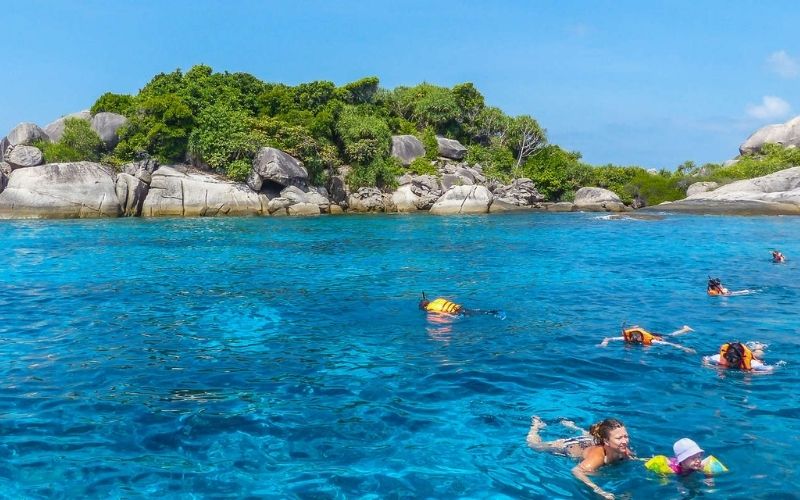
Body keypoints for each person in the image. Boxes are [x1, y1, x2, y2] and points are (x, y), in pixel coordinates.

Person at [527, 417, 633, 499]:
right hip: (570, 447)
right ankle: (536, 425)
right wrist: (599, 491)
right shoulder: (597, 458)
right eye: (619, 438)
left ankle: (572, 426)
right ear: (606, 441)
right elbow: (576, 471)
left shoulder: (622, 449)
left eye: (626, 436)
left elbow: (633, 458)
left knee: (590, 436)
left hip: (590, 441)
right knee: (533, 445)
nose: (625, 441)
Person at [644, 438, 727, 476]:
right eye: (693, 458)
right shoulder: (673, 470)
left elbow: (708, 464)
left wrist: (709, 478)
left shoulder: (699, 465)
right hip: (671, 463)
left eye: (698, 457)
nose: (698, 460)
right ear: (682, 460)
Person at [599, 324, 695, 353]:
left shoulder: (652, 341)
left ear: (641, 335)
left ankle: (685, 329)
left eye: (637, 336)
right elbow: (608, 338)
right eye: (634, 336)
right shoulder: (628, 338)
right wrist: (604, 343)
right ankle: (684, 329)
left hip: (656, 336)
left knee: (671, 336)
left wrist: (684, 348)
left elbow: (670, 344)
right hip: (647, 336)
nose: (636, 338)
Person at [703, 341, 774, 373]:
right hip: (739, 351)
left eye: (733, 360)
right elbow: (705, 359)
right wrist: (711, 366)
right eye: (728, 358)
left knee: (759, 353)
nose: (730, 362)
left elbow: (770, 369)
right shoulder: (719, 358)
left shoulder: (752, 363)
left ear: (740, 359)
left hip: (748, 356)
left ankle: (759, 346)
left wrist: (754, 373)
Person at [418, 292, 504, 318]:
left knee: (474, 315)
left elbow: (443, 314)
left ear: (425, 307)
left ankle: (494, 314)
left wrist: (452, 317)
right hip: (459, 308)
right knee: (476, 311)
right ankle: (493, 312)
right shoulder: (438, 299)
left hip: (457, 313)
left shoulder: (431, 309)